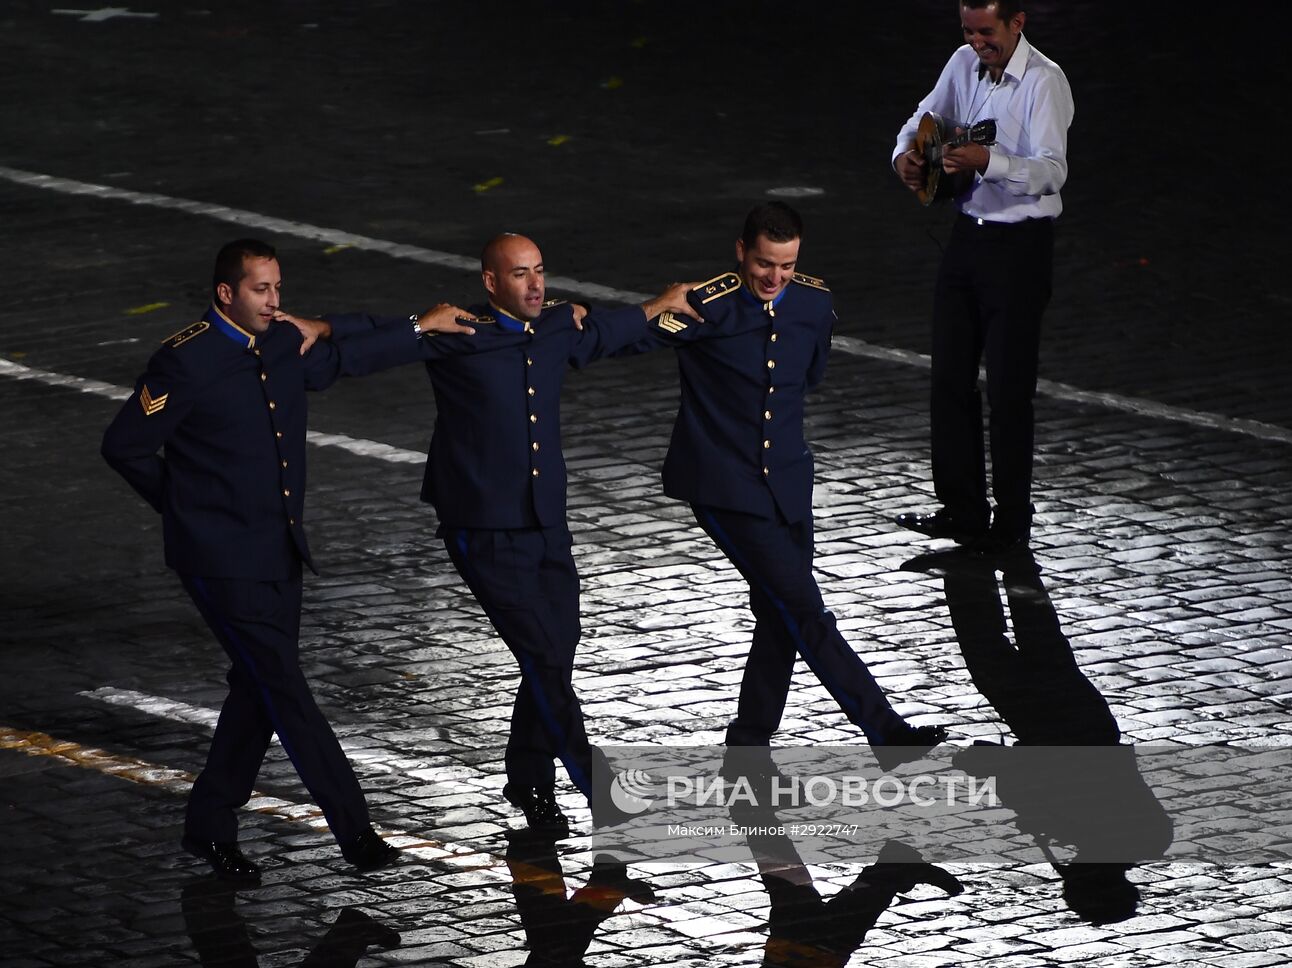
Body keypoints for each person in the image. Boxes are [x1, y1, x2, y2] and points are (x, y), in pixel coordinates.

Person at [101, 238, 475, 883]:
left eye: (277, 289)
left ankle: (209, 824)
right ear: (226, 293)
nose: (276, 302)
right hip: (219, 560)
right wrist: (192, 515)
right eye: (261, 290)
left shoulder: (277, 341)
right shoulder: (185, 361)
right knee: (284, 688)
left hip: (279, 550)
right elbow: (125, 445)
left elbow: (344, 355)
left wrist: (418, 327)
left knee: (257, 688)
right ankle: (355, 831)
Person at [307, 233, 700, 835]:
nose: (536, 285)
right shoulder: (459, 331)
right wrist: (357, 326)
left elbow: (604, 335)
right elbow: (371, 343)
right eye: (521, 275)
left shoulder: (552, 328)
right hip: (481, 526)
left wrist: (656, 306)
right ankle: (596, 787)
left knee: (555, 654)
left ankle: (527, 778)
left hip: (546, 520)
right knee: (542, 655)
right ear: (492, 282)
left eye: (541, 271)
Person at [630, 202, 947, 763]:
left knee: (778, 615)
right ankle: (885, 732)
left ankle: (749, 742)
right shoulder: (706, 308)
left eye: (785, 265)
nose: (774, 278)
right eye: (762, 264)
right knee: (804, 610)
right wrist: (647, 307)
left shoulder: (814, 302)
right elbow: (624, 342)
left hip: (788, 485)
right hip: (724, 488)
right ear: (740, 252)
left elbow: (809, 377)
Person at [891, 0, 1074, 554]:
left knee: (1009, 392)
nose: (977, 44)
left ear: (1016, 24)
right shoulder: (963, 62)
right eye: (968, 32)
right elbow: (921, 115)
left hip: (1020, 249)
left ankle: (1012, 522)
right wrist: (905, 156)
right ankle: (963, 509)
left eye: (987, 33)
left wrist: (988, 160)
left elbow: (1051, 171)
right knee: (948, 378)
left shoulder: (1045, 83)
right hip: (967, 237)